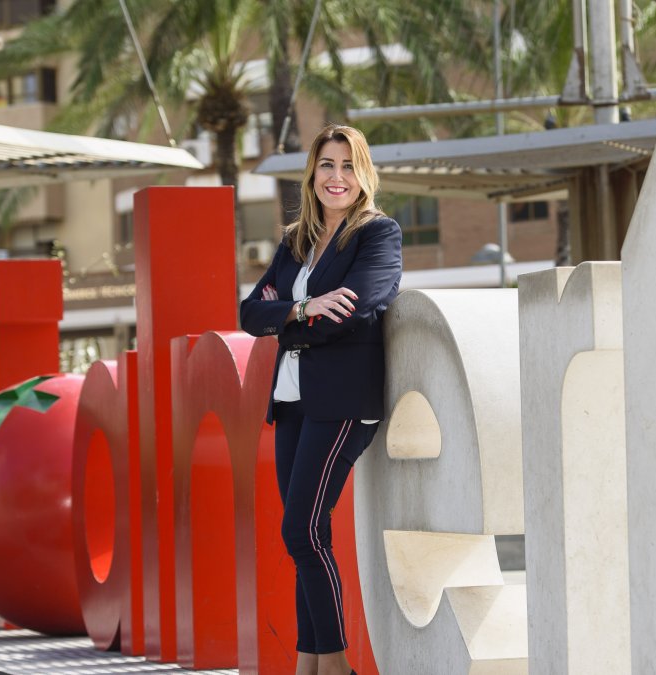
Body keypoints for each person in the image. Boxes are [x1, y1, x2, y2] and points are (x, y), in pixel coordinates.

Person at [240, 124, 402, 675]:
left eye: (349, 166)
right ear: (312, 173)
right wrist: (304, 310)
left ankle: (336, 667)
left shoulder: (377, 235)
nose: (338, 177)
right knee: (303, 536)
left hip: (343, 401)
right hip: (294, 401)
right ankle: (308, 664)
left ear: (364, 175)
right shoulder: (295, 242)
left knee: (303, 529)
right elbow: (248, 314)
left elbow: (357, 309)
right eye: (328, 165)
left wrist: (285, 315)